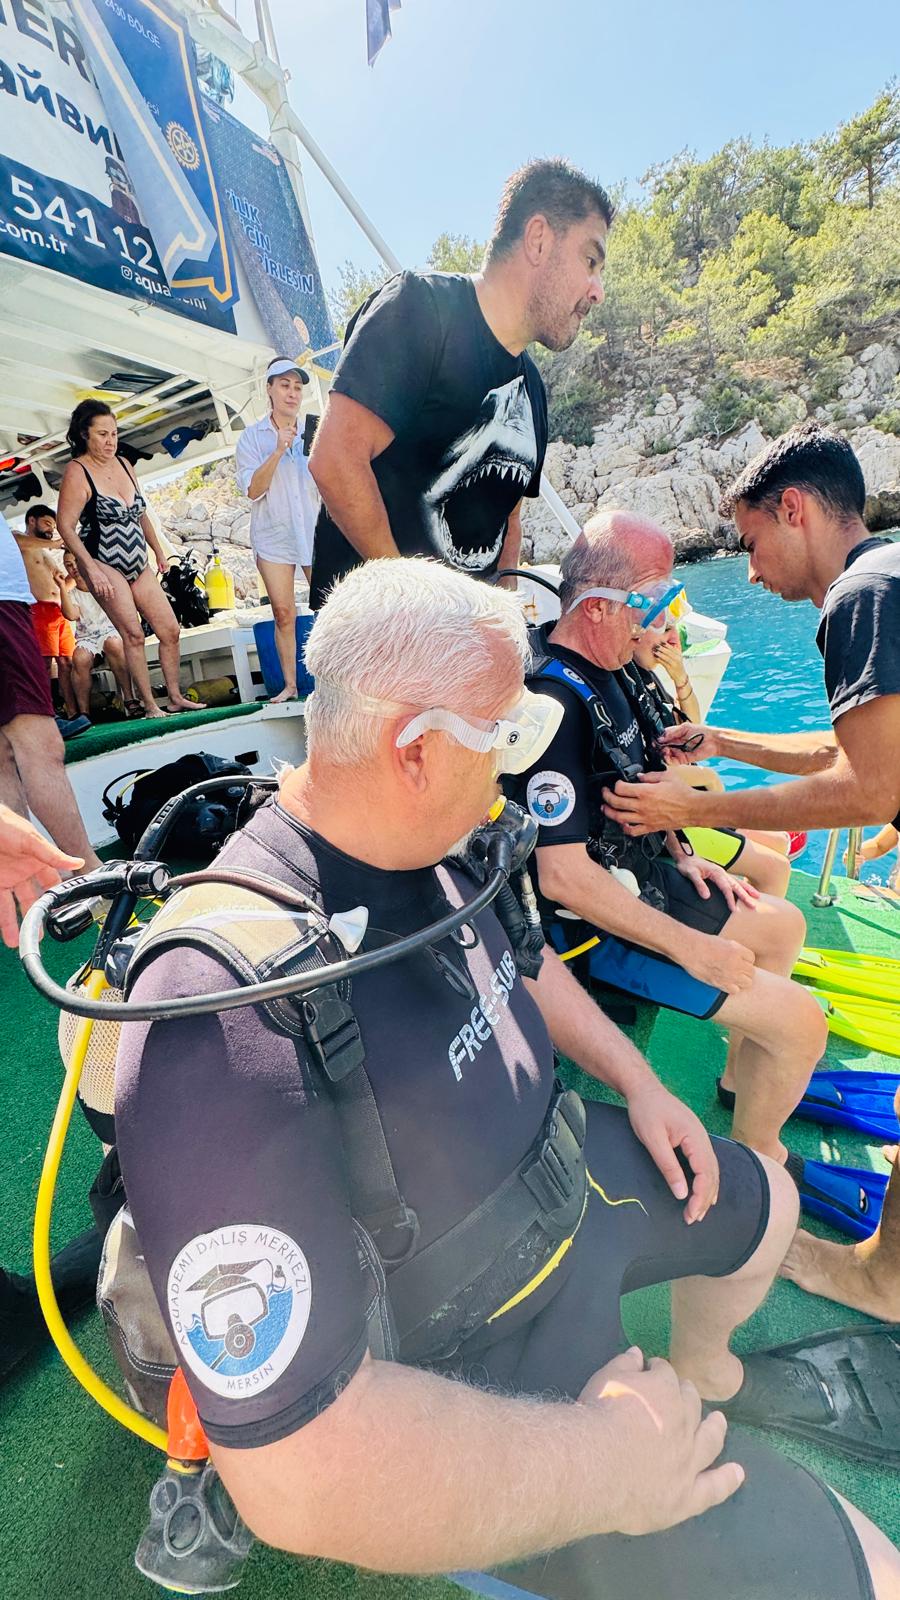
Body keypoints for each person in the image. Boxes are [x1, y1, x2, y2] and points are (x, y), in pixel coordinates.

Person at [113, 558, 898, 1600]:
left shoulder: (437, 835)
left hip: (560, 1178)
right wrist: (608, 1465)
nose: (518, 766)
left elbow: (522, 961)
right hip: (464, 1326)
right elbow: (298, 1477)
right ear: (415, 748)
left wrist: (640, 1081)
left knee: (769, 1203)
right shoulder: (214, 1009)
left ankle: (708, 1374)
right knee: (872, 1571)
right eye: (507, 735)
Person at [505, 511, 827, 1164]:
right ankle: (759, 1154)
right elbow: (562, 878)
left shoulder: (614, 668)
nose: (662, 617)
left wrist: (686, 854)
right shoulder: (553, 706)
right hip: (598, 931)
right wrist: (693, 949)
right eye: (653, 598)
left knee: (784, 926)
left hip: (650, 876)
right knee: (803, 1025)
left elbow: (644, 778)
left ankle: (741, 1080)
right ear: (597, 605)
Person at [307, 158, 610, 607]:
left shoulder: (533, 390)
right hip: (373, 631)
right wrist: (421, 607)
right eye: (590, 260)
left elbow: (508, 520)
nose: (597, 290)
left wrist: (505, 617)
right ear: (539, 239)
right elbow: (335, 461)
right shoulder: (420, 309)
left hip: (465, 637)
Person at [602, 423, 900, 839]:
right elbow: (856, 755)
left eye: (751, 545)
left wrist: (690, 809)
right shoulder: (887, 571)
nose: (752, 573)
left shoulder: (861, 594)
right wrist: (721, 741)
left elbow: (873, 792)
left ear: (792, 509)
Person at [55, 400, 202, 717]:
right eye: (102, 434)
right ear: (85, 435)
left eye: (114, 433)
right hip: (103, 560)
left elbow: (142, 513)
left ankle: (175, 696)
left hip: (138, 559)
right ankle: (149, 705)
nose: (110, 441)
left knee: (170, 629)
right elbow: (65, 526)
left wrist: (159, 552)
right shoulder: (78, 471)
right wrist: (90, 569)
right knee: (133, 634)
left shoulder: (124, 464)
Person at [630, 621, 792, 898]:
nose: (673, 638)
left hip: (692, 803)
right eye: (664, 629)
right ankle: (761, 920)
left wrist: (680, 677)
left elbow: (690, 728)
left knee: (781, 841)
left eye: (674, 629)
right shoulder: (628, 685)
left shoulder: (647, 678)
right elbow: (647, 768)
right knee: (776, 868)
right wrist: (708, 779)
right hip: (675, 819)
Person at [0, 511, 101, 876]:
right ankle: (88, 872)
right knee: (40, 746)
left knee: (3, 753)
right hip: (3, 606)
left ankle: (33, 882)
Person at [235, 357, 318, 702]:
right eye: (284, 385)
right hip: (273, 535)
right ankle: (290, 686)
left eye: (297, 387)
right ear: (269, 389)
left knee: (330, 607)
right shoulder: (251, 438)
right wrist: (279, 449)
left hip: (313, 530)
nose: (292, 393)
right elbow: (253, 490)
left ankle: (340, 680)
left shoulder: (316, 430)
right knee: (283, 613)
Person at [13, 504, 78, 717]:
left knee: (67, 663)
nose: (51, 529)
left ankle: (72, 712)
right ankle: (47, 713)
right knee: (44, 664)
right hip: (38, 609)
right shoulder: (19, 539)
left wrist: (78, 572)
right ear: (32, 520)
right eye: (47, 523)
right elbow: (18, 541)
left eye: (54, 526)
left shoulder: (45, 552)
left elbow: (65, 585)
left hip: (60, 611)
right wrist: (57, 543)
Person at [61, 551, 136, 719]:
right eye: (69, 565)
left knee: (113, 644)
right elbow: (71, 615)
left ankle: (129, 698)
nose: (74, 568)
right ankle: (84, 712)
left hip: (110, 630)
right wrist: (62, 587)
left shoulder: (101, 584)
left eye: (76, 562)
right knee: (79, 657)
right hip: (88, 637)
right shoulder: (73, 594)